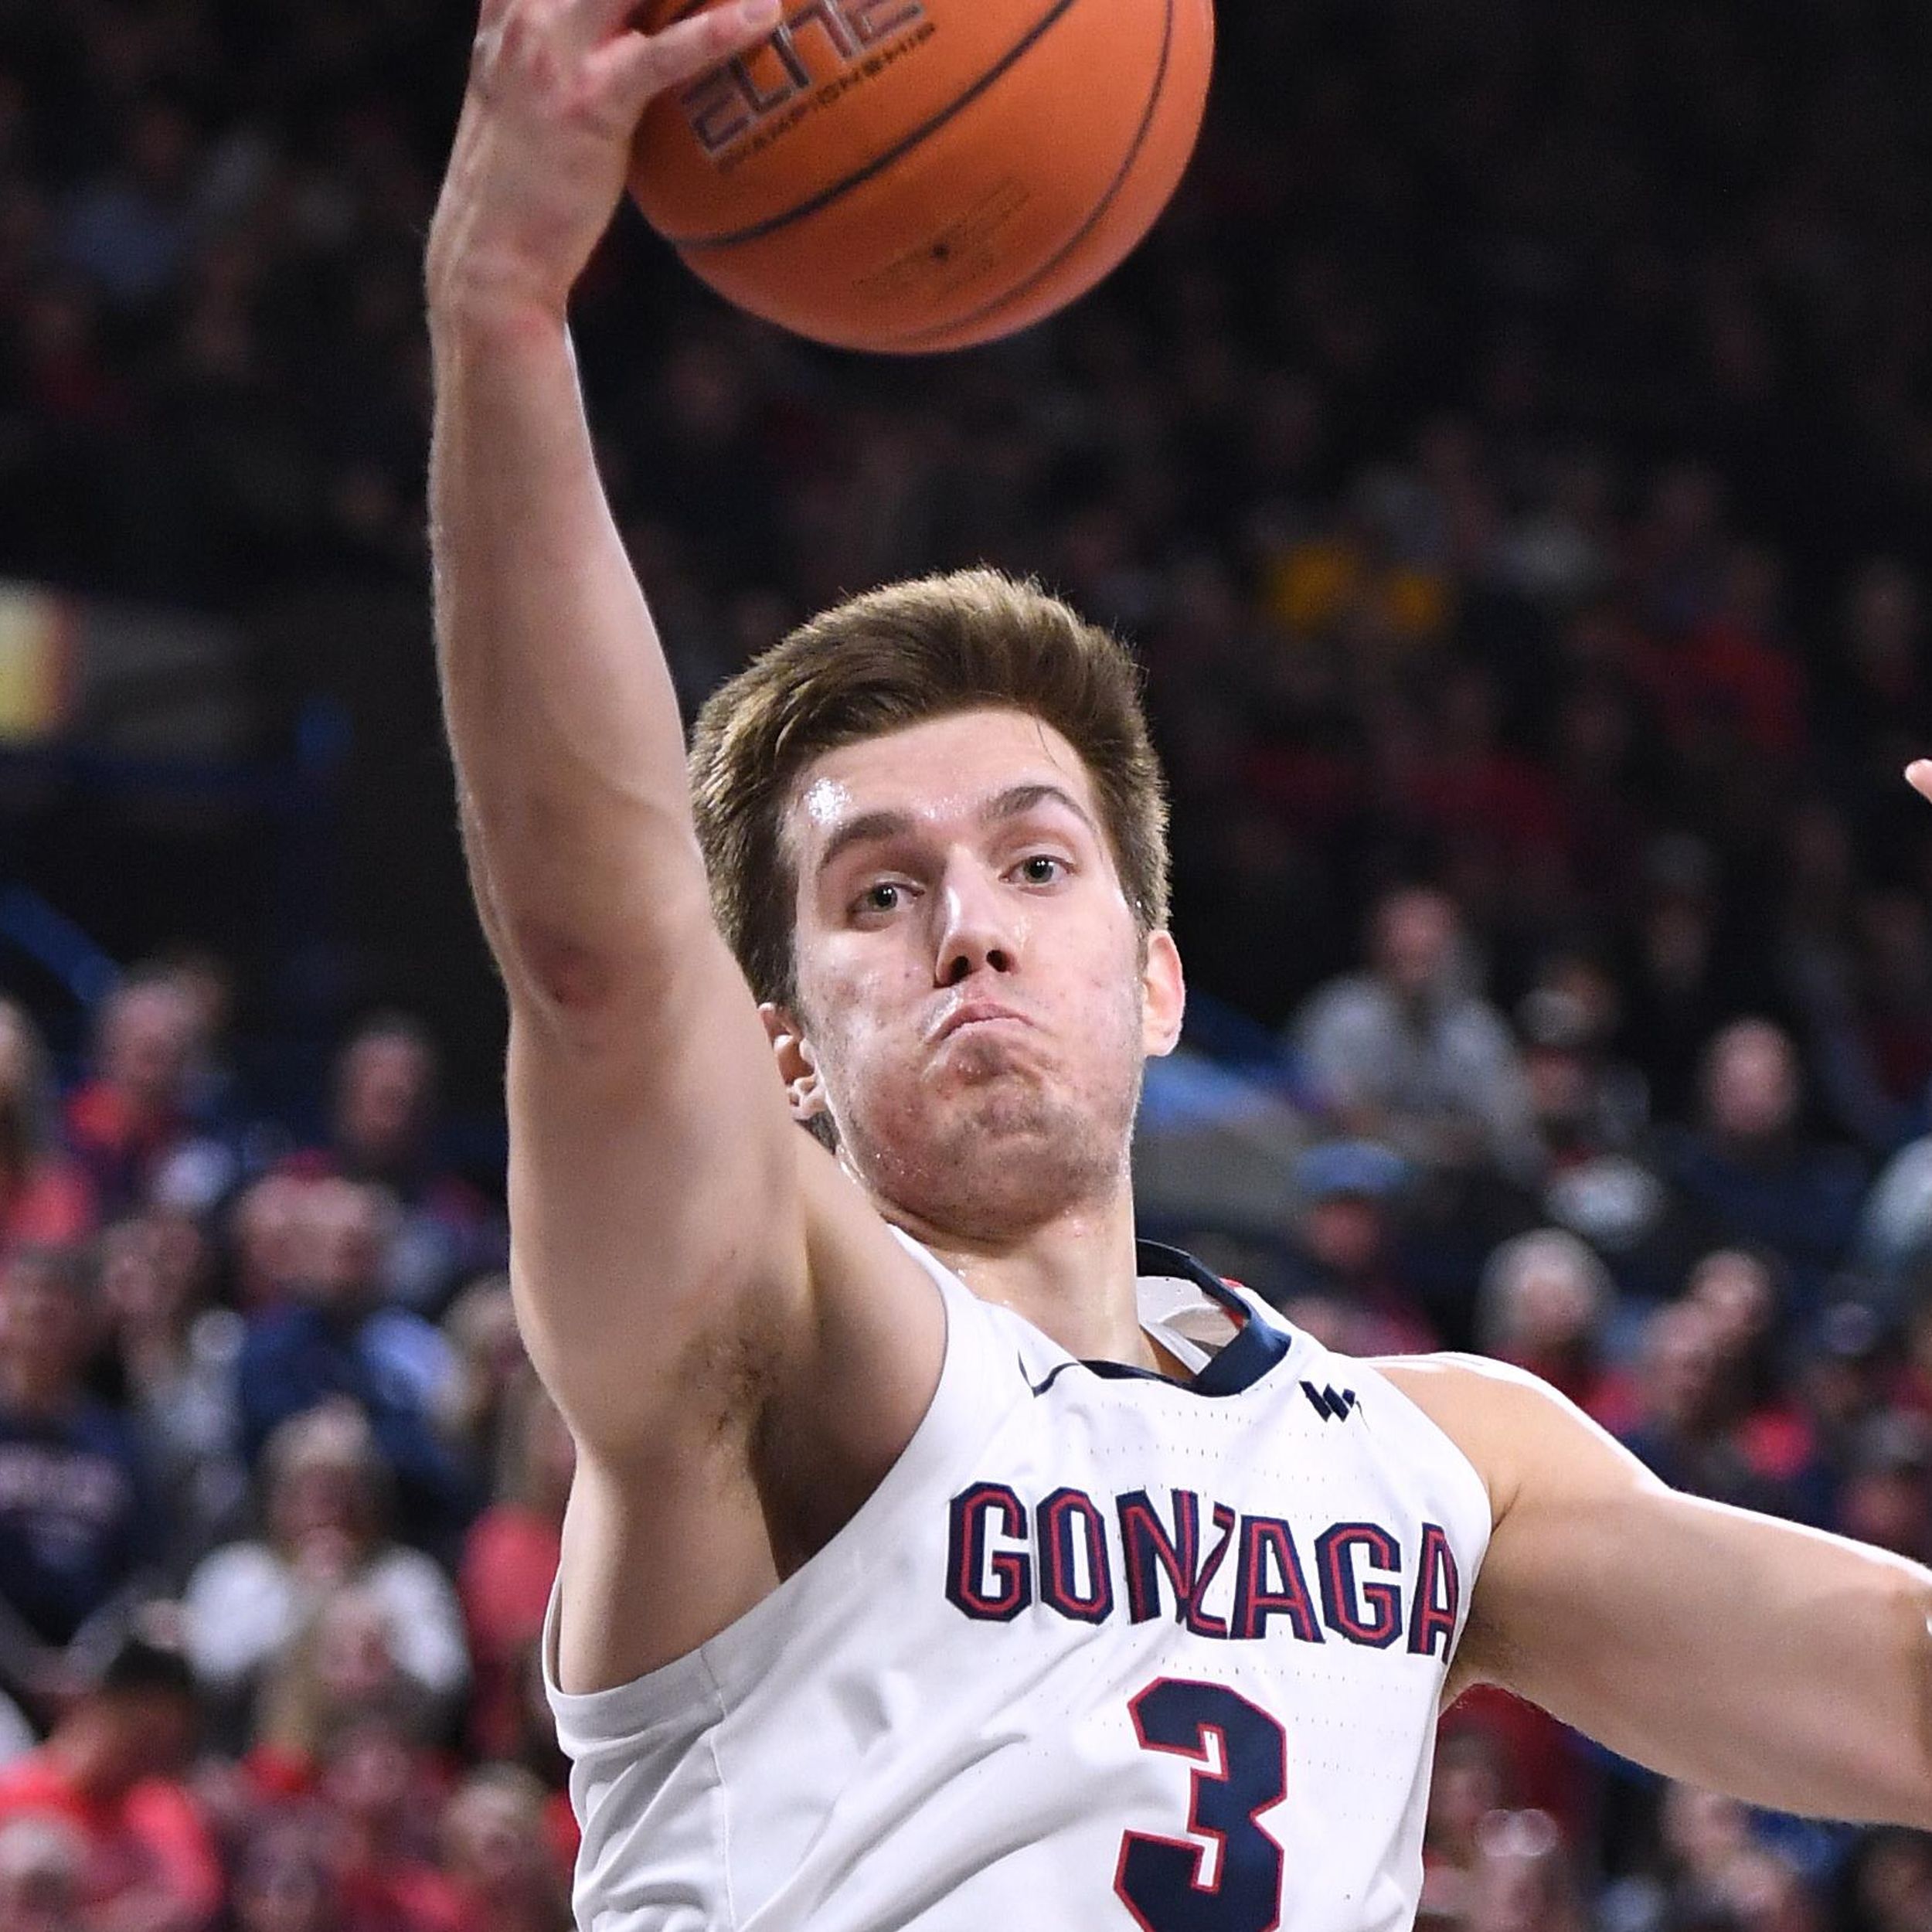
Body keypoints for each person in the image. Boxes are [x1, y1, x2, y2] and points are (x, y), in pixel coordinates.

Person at [423, 11, 1932, 1930]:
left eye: (1033, 862)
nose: (966, 920)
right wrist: (502, 311)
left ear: (1152, 981)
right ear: (780, 1057)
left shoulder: (1440, 1459)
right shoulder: (788, 1345)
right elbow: (597, 961)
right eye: (879, 894)